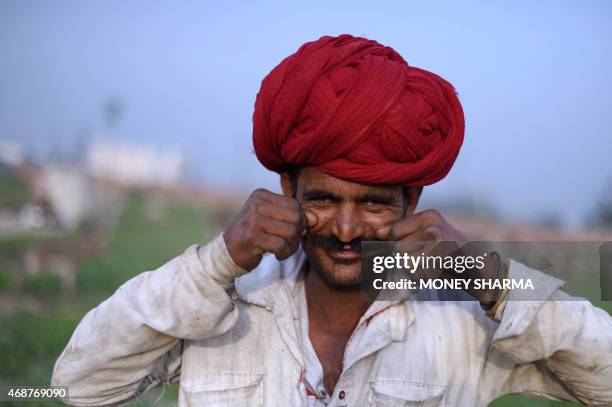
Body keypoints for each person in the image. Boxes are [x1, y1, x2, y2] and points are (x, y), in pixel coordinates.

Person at [51, 34, 612, 406]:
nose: (346, 231)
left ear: (410, 203)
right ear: (287, 190)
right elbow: (70, 389)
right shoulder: (221, 305)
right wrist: (216, 262)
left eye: (372, 203)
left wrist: (490, 280)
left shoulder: (464, 321)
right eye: (322, 200)